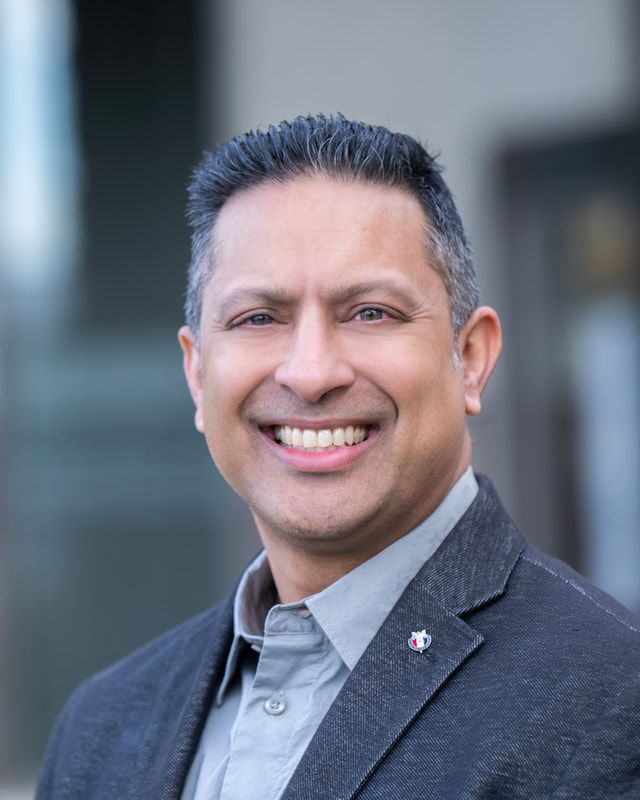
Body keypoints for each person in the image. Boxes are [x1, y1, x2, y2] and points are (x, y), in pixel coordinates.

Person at [37, 114, 640, 799]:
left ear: (469, 359)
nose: (311, 372)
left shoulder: (610, 705)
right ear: (197, 374)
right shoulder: (101, 729)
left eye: (371, 312)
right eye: (258, 318)